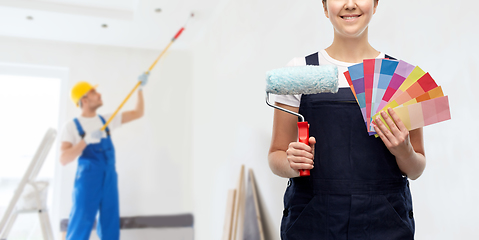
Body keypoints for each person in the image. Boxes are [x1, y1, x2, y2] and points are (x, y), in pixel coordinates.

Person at [268, 0, 426, 239]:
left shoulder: (401, 76)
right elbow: (275, 155)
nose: (350, 4)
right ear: (324, 6)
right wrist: (291, 163)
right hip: (313, 221)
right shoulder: (299, 71)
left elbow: (416, 169)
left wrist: (404, 151)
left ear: (375, 4)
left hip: (385, 222)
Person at [60, 73, 149, 240]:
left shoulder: (107, 120)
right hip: (87, 179)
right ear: (84, 100)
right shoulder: (71, 126)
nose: (99, 94)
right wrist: (85, 141)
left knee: (110, 224)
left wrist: (140, 89)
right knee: (80, 223)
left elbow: (138, 113)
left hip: (109, 177)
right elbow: (64, 159)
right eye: (94, 92)